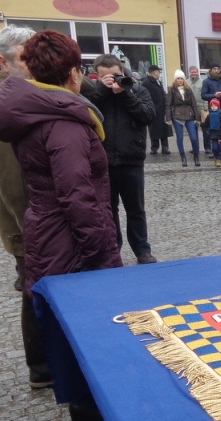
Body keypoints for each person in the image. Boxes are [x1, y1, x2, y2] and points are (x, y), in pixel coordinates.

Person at [0, 30, 123, 411]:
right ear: (73, 73)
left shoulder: (41, 110)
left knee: (66, 322)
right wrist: (104, 254)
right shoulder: (64, 121)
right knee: (84, 323)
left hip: (48, 228)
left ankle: (83, 401)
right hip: (69, 238)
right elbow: (75, 194)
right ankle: (89, 408)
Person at [0, 26, 41, 390]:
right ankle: (43, 369)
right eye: (24, 59)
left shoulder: (14, 92)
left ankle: (44, 367)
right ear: (2, 61)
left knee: (37, 290)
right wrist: (34, 229)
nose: (31, 66)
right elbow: (12, 182)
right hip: (28, 225)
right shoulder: (1, 103)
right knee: (36, 292)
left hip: (31, 224)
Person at [91, 53, 158, 265]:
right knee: (108, 209)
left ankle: (142, 250)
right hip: (104, 161)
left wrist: (124, 94)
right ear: (98, 77)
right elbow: (86, 113)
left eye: (115, 75)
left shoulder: (138, 90)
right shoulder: (94, 93)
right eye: (106, 77)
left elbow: (148, 115)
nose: (113, 80)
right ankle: (113, 249)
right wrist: (102, 90)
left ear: (122, 71)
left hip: (131, 159)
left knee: (136, 208)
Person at [166, 69, 200, 167]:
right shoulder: (172, 90)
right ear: (175, 80)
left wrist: (197, 117)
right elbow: (168, 104)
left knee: (194, 138)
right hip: (177, 116)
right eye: (178, 78)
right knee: (180, 138)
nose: (180, 80)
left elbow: (194, 104)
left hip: (189, 115)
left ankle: (196, 157)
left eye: (181, 78)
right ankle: (183, 158)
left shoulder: (188, 90)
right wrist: (168, 118)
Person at [143, 65, 169, 155]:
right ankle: (154, 147)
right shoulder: (147, 82)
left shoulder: (158, 82)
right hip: (154, 110)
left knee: (164, 129)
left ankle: (165, 147)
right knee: (154, 130)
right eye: (158, 71)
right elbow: (145, 96)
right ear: (153, 72)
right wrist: (152, 106)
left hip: (162, 110)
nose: (159, 73)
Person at [188, 65, 210, 155]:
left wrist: (206, 106)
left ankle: (207, 147)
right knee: (193, 130)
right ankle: (195, 147)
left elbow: (205, 95)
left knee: (205, 129)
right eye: (192, 72)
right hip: (191, 109)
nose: (194, 73)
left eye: (195, 72)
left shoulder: (203, 82)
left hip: (202, 109)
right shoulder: (186, 82)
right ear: (189, 73)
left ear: (198, 73)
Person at [206, 98, 221, 167]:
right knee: (214, 148)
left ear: (218, 106)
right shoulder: (209, 116)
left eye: (215, 106)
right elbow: (206, 124)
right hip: (213, 135)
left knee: (220, 148)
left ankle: (219, 159)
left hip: (220, 135)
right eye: (212, 106)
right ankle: (215, 156)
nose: (213, 107)